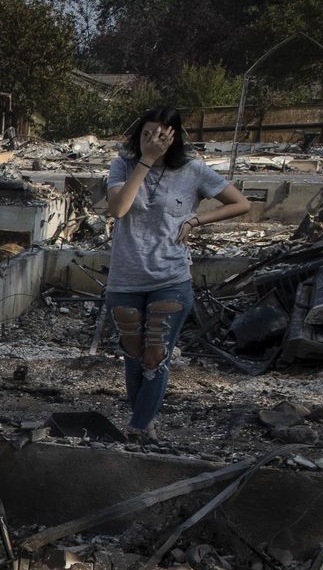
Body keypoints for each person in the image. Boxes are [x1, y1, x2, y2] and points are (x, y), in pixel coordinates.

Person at [103, 107, 250, 440]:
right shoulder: (123, 166)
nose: (151, 140)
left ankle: (137, 428)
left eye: (159, 135)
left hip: (170, 277)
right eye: (145, 134)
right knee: (133, 353)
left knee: (155, 355)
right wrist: (145, 161)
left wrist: (196, 220)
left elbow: (240, 203)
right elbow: (119, 209)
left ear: (173, 137)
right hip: (126, 278)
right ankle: (145, 422)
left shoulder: (193, 171)